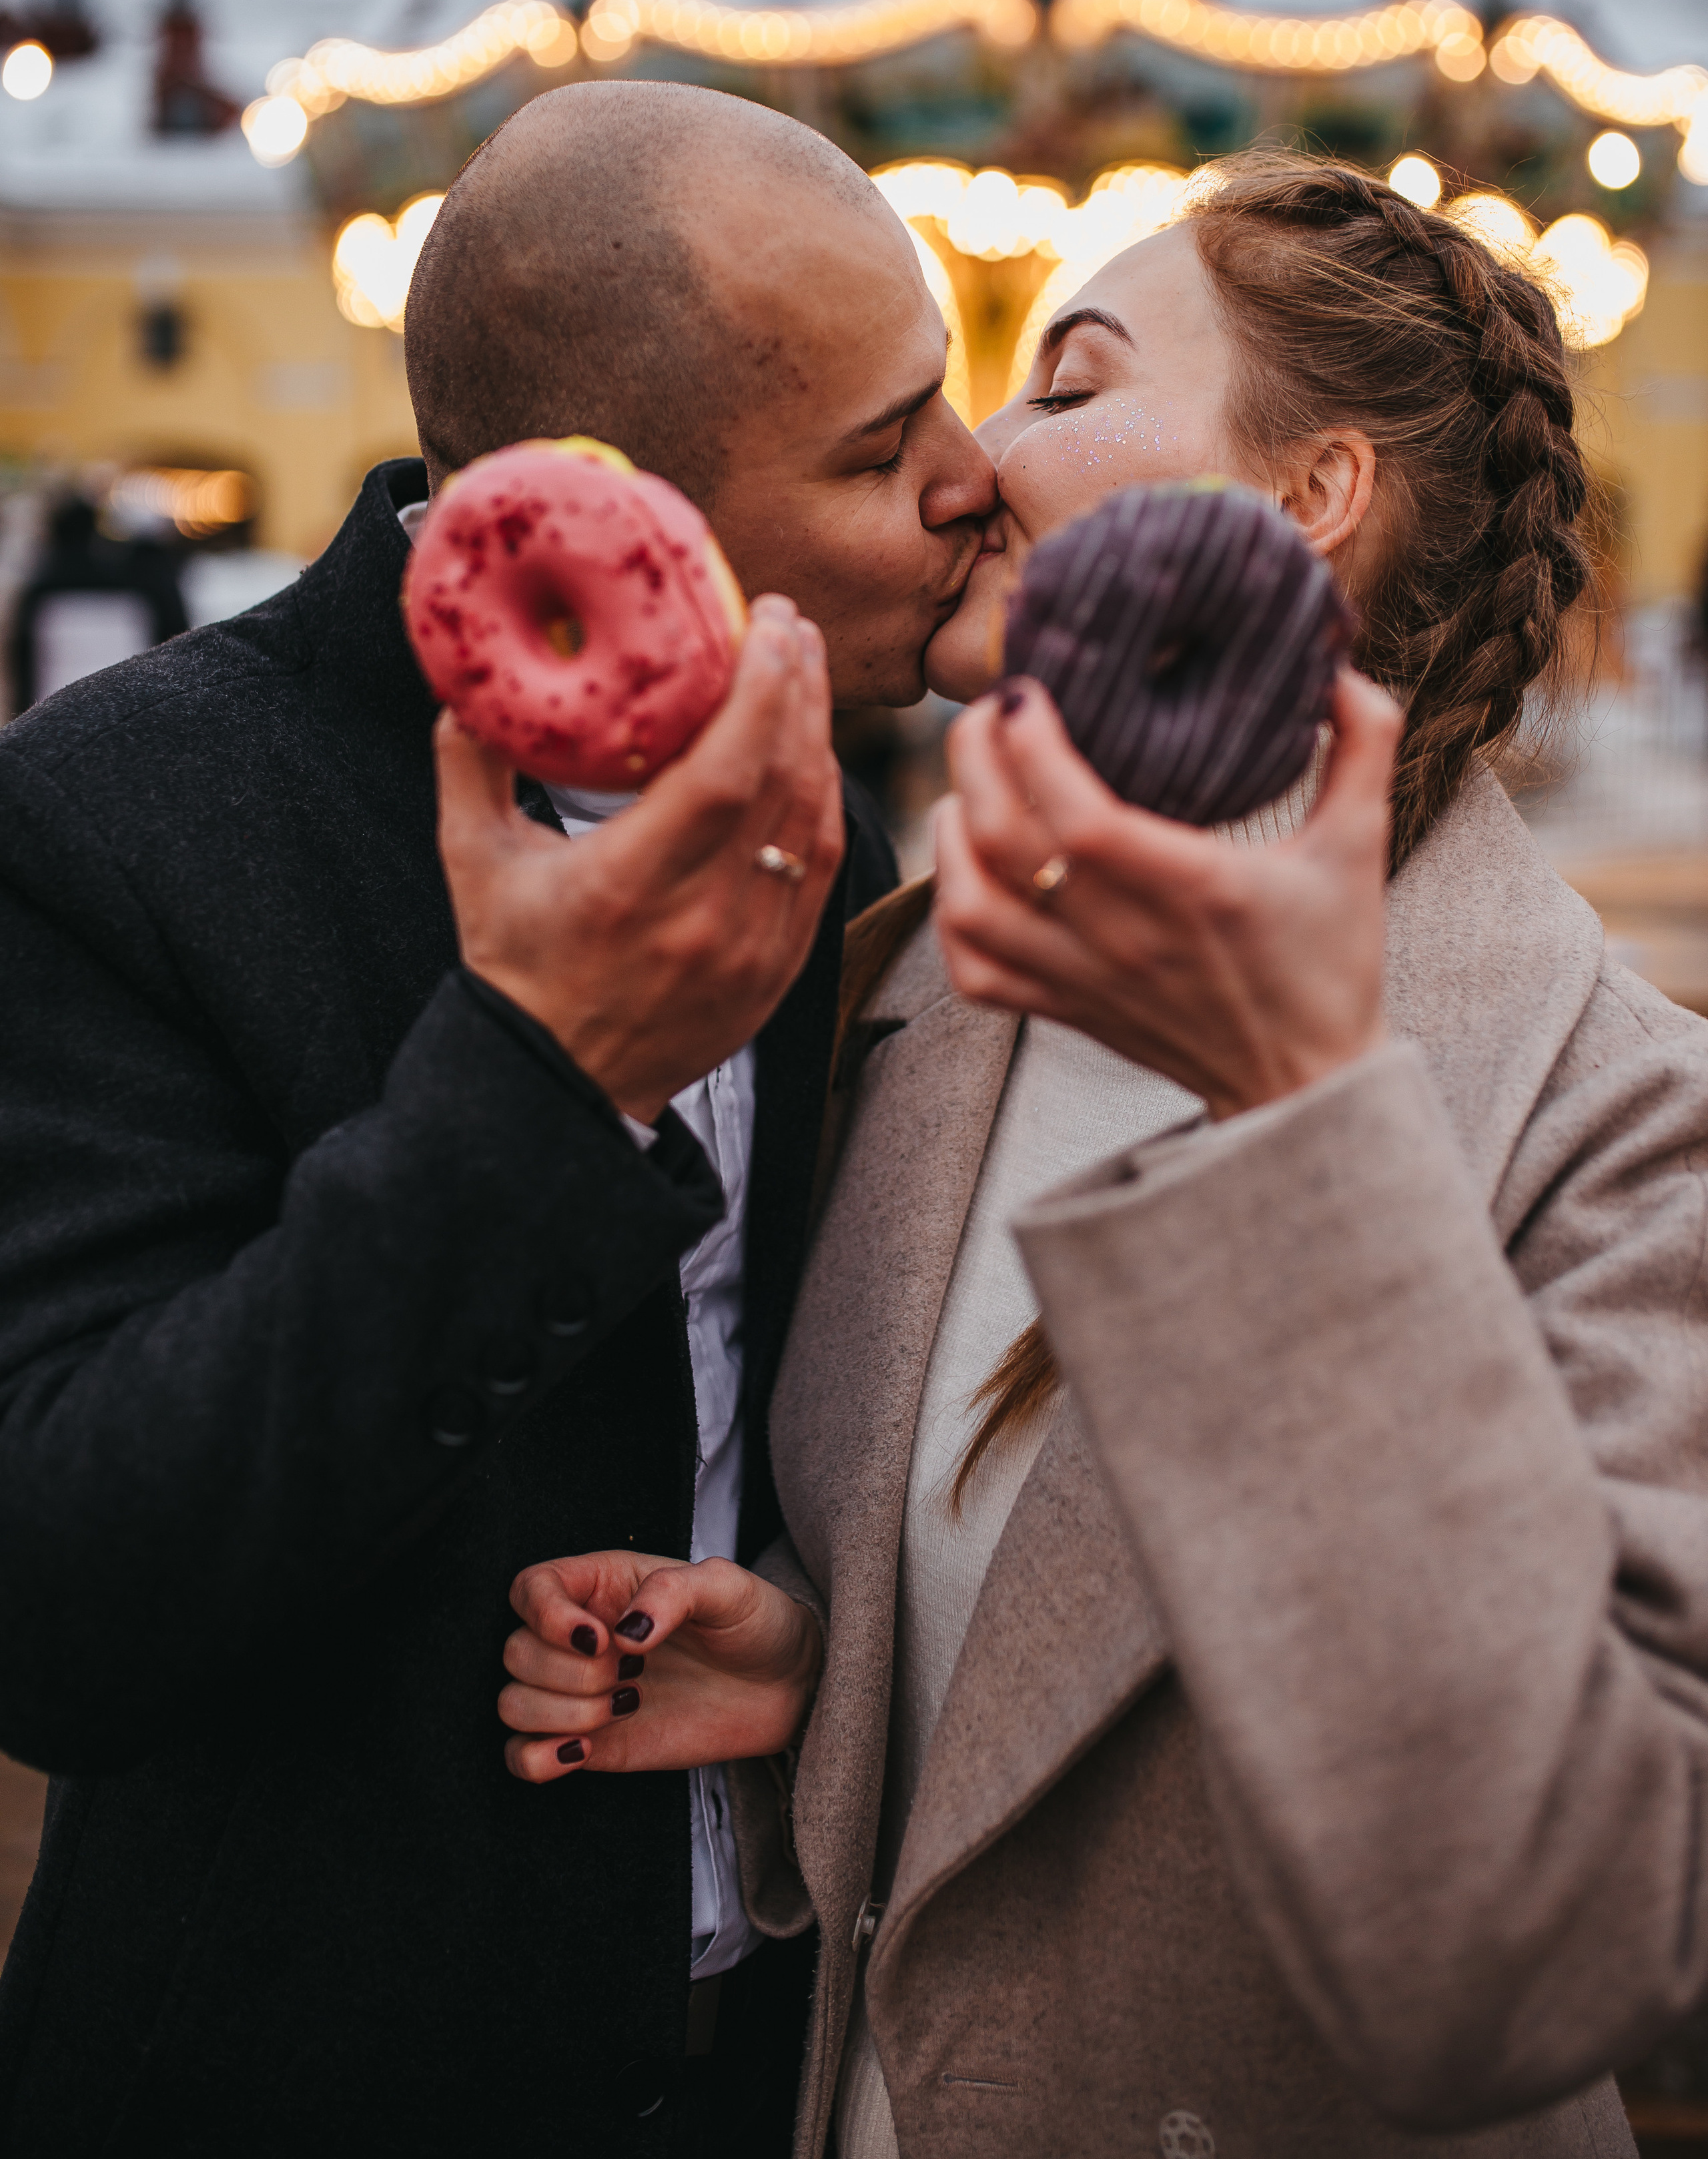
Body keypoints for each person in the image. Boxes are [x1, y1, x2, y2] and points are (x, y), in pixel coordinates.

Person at [496, 152, 1708, 2157]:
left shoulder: (1626, 1128)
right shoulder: (916, 995)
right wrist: (831, 1654)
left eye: (1066, 383)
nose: (972, 458)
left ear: (1312, 496)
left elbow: (1556, 1938)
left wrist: (1306, 1140)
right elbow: (1038, 1647)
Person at [0, 81, 995, 2157]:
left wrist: (803, 1638)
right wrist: (544, 1084)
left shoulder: (829, 797)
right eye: (881, 446)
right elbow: (64, 1605)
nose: (970, 482)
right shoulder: (122, 818)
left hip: (764, 2070)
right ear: (592, 516)